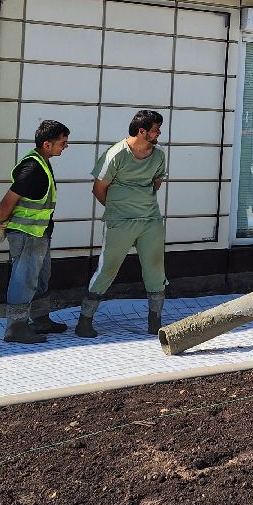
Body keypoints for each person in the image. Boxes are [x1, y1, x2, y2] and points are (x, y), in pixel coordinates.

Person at [76, 110, 169, 338]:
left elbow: (156, 184)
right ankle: (84, 321)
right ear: (142, 131)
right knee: (107, 267)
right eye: (156, 129)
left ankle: (154, 321)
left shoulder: (159, 156)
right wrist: (118, 209)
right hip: (119, 222)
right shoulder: (116, 154)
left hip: (150, 220)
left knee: (156, 269)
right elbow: (98, 188)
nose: (159, 133)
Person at [0, 119, 71, 344]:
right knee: (24, 279)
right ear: (47, 144)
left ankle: (40, 319)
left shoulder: (41, 162)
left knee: (40, 277)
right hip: (27, 235)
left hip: (38, 235)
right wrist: (2, 225)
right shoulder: (33, 168)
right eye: (62, 143)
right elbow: (7, 202)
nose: (64, 147)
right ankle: (16, 327)